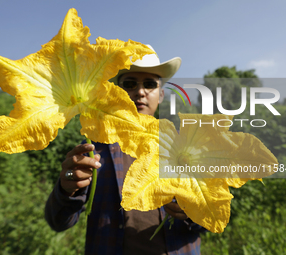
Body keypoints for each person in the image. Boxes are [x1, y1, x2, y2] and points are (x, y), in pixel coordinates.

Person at [45, 45, 207, 254]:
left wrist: (192, 211)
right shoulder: (94, 149)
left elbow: (213, 218)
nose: (140, 92)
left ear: (162, 95)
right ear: (117, 93)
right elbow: (58, 222)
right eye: (130, 84)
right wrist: (66, 188)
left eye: (150, 84)